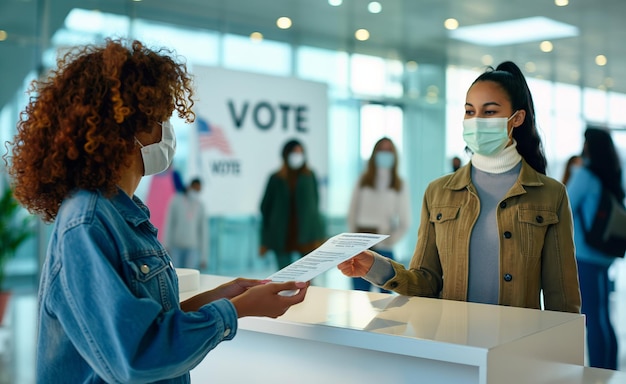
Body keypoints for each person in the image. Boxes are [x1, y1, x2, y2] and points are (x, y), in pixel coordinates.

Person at [5, 38, 308, 383]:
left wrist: (221, 297)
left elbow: (145, 325)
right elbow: (135, 355)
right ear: (131, 127)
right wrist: (238, 310)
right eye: (162, 117)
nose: (168, 131)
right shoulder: (87, 221)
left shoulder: (122, 213)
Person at [338, 61, 581, 313]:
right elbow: (425, 281)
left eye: (489, 112)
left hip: (516, 345)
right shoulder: (439, 192)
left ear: (517, 118)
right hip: (453, 342)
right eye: (469, 111)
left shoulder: (550, 194)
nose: (476, 121)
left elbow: (562, 297)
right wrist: (374, 266)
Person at [566, 127, 621, 370]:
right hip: (605, 253)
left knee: (592, 316)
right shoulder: (613, 174)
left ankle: (599, 373)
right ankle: (608, 369)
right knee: (603, 315)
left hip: (586, 254)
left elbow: (565, 206)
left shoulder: (585, 175)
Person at [347, 137, 411, 292]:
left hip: (383, 249)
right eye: (381, 150)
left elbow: (405, 221)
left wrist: (389, 240)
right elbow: (352, 212)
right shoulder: (363, 179)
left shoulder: (398, 183)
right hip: (360, 246)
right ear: (374, 153)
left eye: (388, 150)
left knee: (385, 301)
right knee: (359, 295)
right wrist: (352, 239)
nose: (385, 154)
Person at [260, 139, 326, 270]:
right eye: (294, 152)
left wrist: (318, 234)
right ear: (286, 154)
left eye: (300, 152)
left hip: (307, 235)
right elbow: (265, 207)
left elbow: (315, 205)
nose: (297, 155)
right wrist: (265, 239)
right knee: (283, 277)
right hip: (282, 236)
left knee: (307, 275)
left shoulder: (310, 176)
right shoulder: (276, 178)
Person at [164, 178, 209, 270]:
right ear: (190, 187)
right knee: (175, 274)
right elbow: (169, 224)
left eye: (198, 190)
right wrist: (165, 245)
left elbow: (203, 232)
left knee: (189, 276)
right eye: (195, 189)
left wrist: (204, 257)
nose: (196, 192)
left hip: (192, 248)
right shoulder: (176, 200)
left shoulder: (201, 205)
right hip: (176, 246)